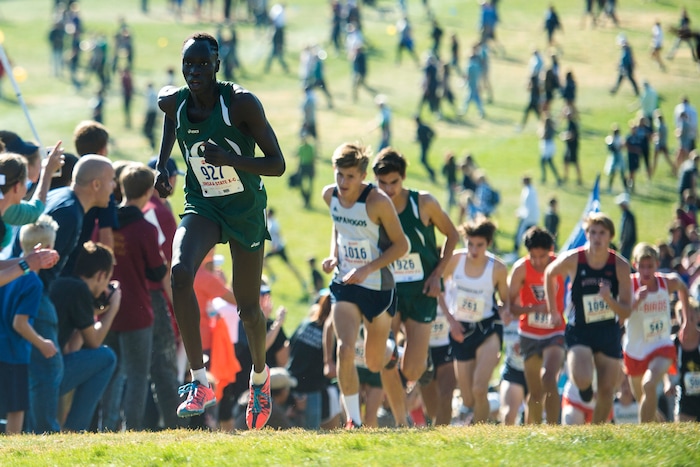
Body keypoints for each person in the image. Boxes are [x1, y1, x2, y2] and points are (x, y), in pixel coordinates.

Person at [153, 32, 285, 430]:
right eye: (187, 64)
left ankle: (259, 379)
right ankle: (199, 381)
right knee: (179, 273)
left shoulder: (241, 104)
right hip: (204, 205)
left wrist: (229, 158)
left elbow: (276, 164)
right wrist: (163, 165)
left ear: (217, 66)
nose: (194, 71)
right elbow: (170, 117)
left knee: (247, 308)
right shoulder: (174, 101)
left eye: (202, 64)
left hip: (244, 209)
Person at [19, 155, 115, 434]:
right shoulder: (69, 213)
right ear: (96, 184)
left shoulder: (66, 199)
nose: (112, 188)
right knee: (46, 377)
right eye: (110, 182)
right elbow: (35, 261)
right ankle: (49, 435)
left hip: (36, 299)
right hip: (36, 302)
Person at [321, 142, 409, 429]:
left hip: (377, 288)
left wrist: (367, 268)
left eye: (350, 176)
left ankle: (388, 350)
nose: (343, 182)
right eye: (339, 175)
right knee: (345, 350)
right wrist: (334, 255)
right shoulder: (330, 195)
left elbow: (401, 245)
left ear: (362, 175)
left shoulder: (378, 202)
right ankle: (354, 422)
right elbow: (338, 223)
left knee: (373, 363)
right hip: (345, 283)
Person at [372, 148, 459, 387]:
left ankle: (419, 357)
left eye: (394, 182)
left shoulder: (423, 202)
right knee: (382, 352)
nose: (388, 189)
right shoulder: (372, 204)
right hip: (390, 290)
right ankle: (397, 348)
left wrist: (438, 274)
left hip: (423, 290)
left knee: (411, 371)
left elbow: (452, 234)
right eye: (382, 183)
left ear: (404, 177)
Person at [545, 213, 632, 424]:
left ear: (610, 236)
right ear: (586, 234)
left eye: (602, 233)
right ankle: (583, 391)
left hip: (607, 331)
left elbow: (626, 311)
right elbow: (549, 273)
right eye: (592, 232)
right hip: (580, 330)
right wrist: (553, 311)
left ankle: (597, 432)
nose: (597, 237)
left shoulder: (620, 266)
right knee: (582, 378)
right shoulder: (575, 258)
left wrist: (609, 299)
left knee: (607, 389)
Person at [100, 163, 168, 431]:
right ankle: (134, 429)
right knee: (138, 375)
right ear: (150, 191)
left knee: (110, 372)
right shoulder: (145, 229)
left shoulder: (106, 224)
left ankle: (107, 426)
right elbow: (156, 271)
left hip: (106, 308)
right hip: (137, 310)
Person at [441, 217, 512, 423]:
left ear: (488, 244)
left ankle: (480, 431)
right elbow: (437, 288)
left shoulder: (497, 268)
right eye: (470, 244)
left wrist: (506, 311)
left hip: (487, 329)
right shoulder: (455, 261)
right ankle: (485, 417)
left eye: (479, 245)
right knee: (468, 397)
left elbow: (505, 301)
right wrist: (451, 321)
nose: (473, 249)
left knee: (479, 388)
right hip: (460, 329)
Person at [50, 241, 121, 432]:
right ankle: (74, 429)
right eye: (107, 280)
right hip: (47, 373)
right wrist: (113, 308)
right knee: (106, 358)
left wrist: (92, 312)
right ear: (100, 275)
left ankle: (71, 429)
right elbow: (94, 342)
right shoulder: (79, 290)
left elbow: (73, 348)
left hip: (39, 368)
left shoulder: (65, 283)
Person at [0, 215, 59, 435]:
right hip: (14, 353)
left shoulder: (6, 273)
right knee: (16, 409)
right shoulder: (33, 281)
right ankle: (13, 451)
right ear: (43, 250)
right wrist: (43, 343)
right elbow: (20, 323)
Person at [626, 242, 689, 423]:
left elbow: (682, 287)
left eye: (650, 266)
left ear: (657, 263)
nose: (646, 271)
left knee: (649, 384)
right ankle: (660, 428)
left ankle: (643, 436)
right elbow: (620, 316)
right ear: (635, 264)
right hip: (635, 349)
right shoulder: (629, 285)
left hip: (661, 345)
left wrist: (685, 320)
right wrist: (635, 301)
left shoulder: (665, 282)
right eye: (642, 267)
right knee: (643, 401)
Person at [508, 227, 565, 424]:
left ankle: (553, 429)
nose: (538, 261)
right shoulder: (520, 269)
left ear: (550, 250)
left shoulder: (561, 265)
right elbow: (511, 307)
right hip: (529, 334)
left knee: (549, 379)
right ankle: (534, 431)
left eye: (542, 256)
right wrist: (533, 308)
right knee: (535, 391)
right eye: (533, 256)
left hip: (555, 331)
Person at [287, 293, 333, 429]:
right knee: (312, 434)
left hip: (292, 385)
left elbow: (288, 346)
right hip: (311, 391)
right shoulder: (330, 334)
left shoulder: (305, 324)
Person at [264, 208, 307, 293]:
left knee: (289, 265)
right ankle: (273, 275)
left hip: (278, 248)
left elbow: (278, 235)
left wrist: (275, 245)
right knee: (263, 260)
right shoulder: (269, 222)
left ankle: (302, 280)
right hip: (275, 248)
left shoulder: (274, 224)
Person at [513, 175, 539, 255]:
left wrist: (519, 213)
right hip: (532, 218)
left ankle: (515, 253)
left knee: (519, 236)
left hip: (527, 219)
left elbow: (527, 207)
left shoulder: (528, 192)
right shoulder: (532, 190)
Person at [616, 192, 637, 262]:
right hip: (627, 243)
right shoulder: (626, 215)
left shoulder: (628, 216)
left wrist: (623, 242)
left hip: (627, 243)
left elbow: (627, 232)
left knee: (624, 260)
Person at [415, 116, 436, 182]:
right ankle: (431, 172)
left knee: (423, 160)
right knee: (423, 160)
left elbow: (419, 138)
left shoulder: (419, 128)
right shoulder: (424, 126)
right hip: (426, 145)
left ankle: (432, 172)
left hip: (424, 145)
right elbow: (433, 133)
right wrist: (429, 139)